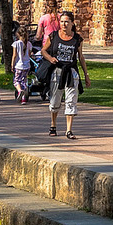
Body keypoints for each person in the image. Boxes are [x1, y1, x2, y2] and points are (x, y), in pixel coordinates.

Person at [42, 10, 89, 138]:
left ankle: (69, 130)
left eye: (66, 22)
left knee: (71, 100)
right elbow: (43, 51)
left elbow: (80, 57)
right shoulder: (53, 36)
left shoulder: (77, 39)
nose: (64, 24)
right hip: (57, 72)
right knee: (55, 100)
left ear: (72, 23)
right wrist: (50, 58)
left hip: (71, 73)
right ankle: (53, 125)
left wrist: (86, 74)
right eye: (62, 22)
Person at [11, 24, 35, 104]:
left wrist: (12, 65)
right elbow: (29, 54)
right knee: (24, 81)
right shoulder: (29, 44)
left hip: (18, 65)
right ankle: (24, 98)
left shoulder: (16, 43)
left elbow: (14, 55)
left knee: (16, 81)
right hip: (26, 65)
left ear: (17, 34)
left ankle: (19, 90)